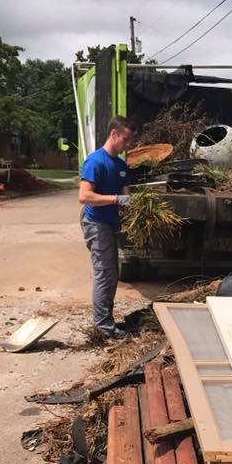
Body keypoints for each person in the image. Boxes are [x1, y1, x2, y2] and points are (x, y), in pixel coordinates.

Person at [78, 116, 137, 340]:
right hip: (96, 224)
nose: (128, 144)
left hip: (112, 224)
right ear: (114, 134)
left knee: (112, 275)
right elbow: (84, 196)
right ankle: (103, 328)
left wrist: (131, 206)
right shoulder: (95, 161)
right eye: (126, 139)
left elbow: (126, 195)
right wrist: (115, 200)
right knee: (105, 274)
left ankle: (106, 321)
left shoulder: (121, 166)